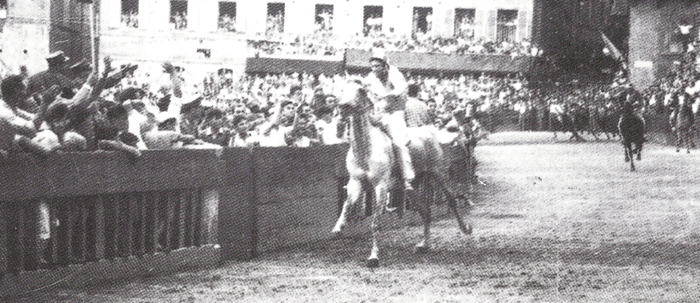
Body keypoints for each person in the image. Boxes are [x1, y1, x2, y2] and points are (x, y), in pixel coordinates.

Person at [363, 49, 415, 194]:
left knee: (399, 143)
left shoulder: (395, 73)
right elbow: (365, 86)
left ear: (385, 65)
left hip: (395, 114)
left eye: (377, 66)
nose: (374, 69)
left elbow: (401, 88)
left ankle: (407, 179)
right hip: (380, 113)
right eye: (372, 66)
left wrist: (385, 95)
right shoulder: (371, 76)